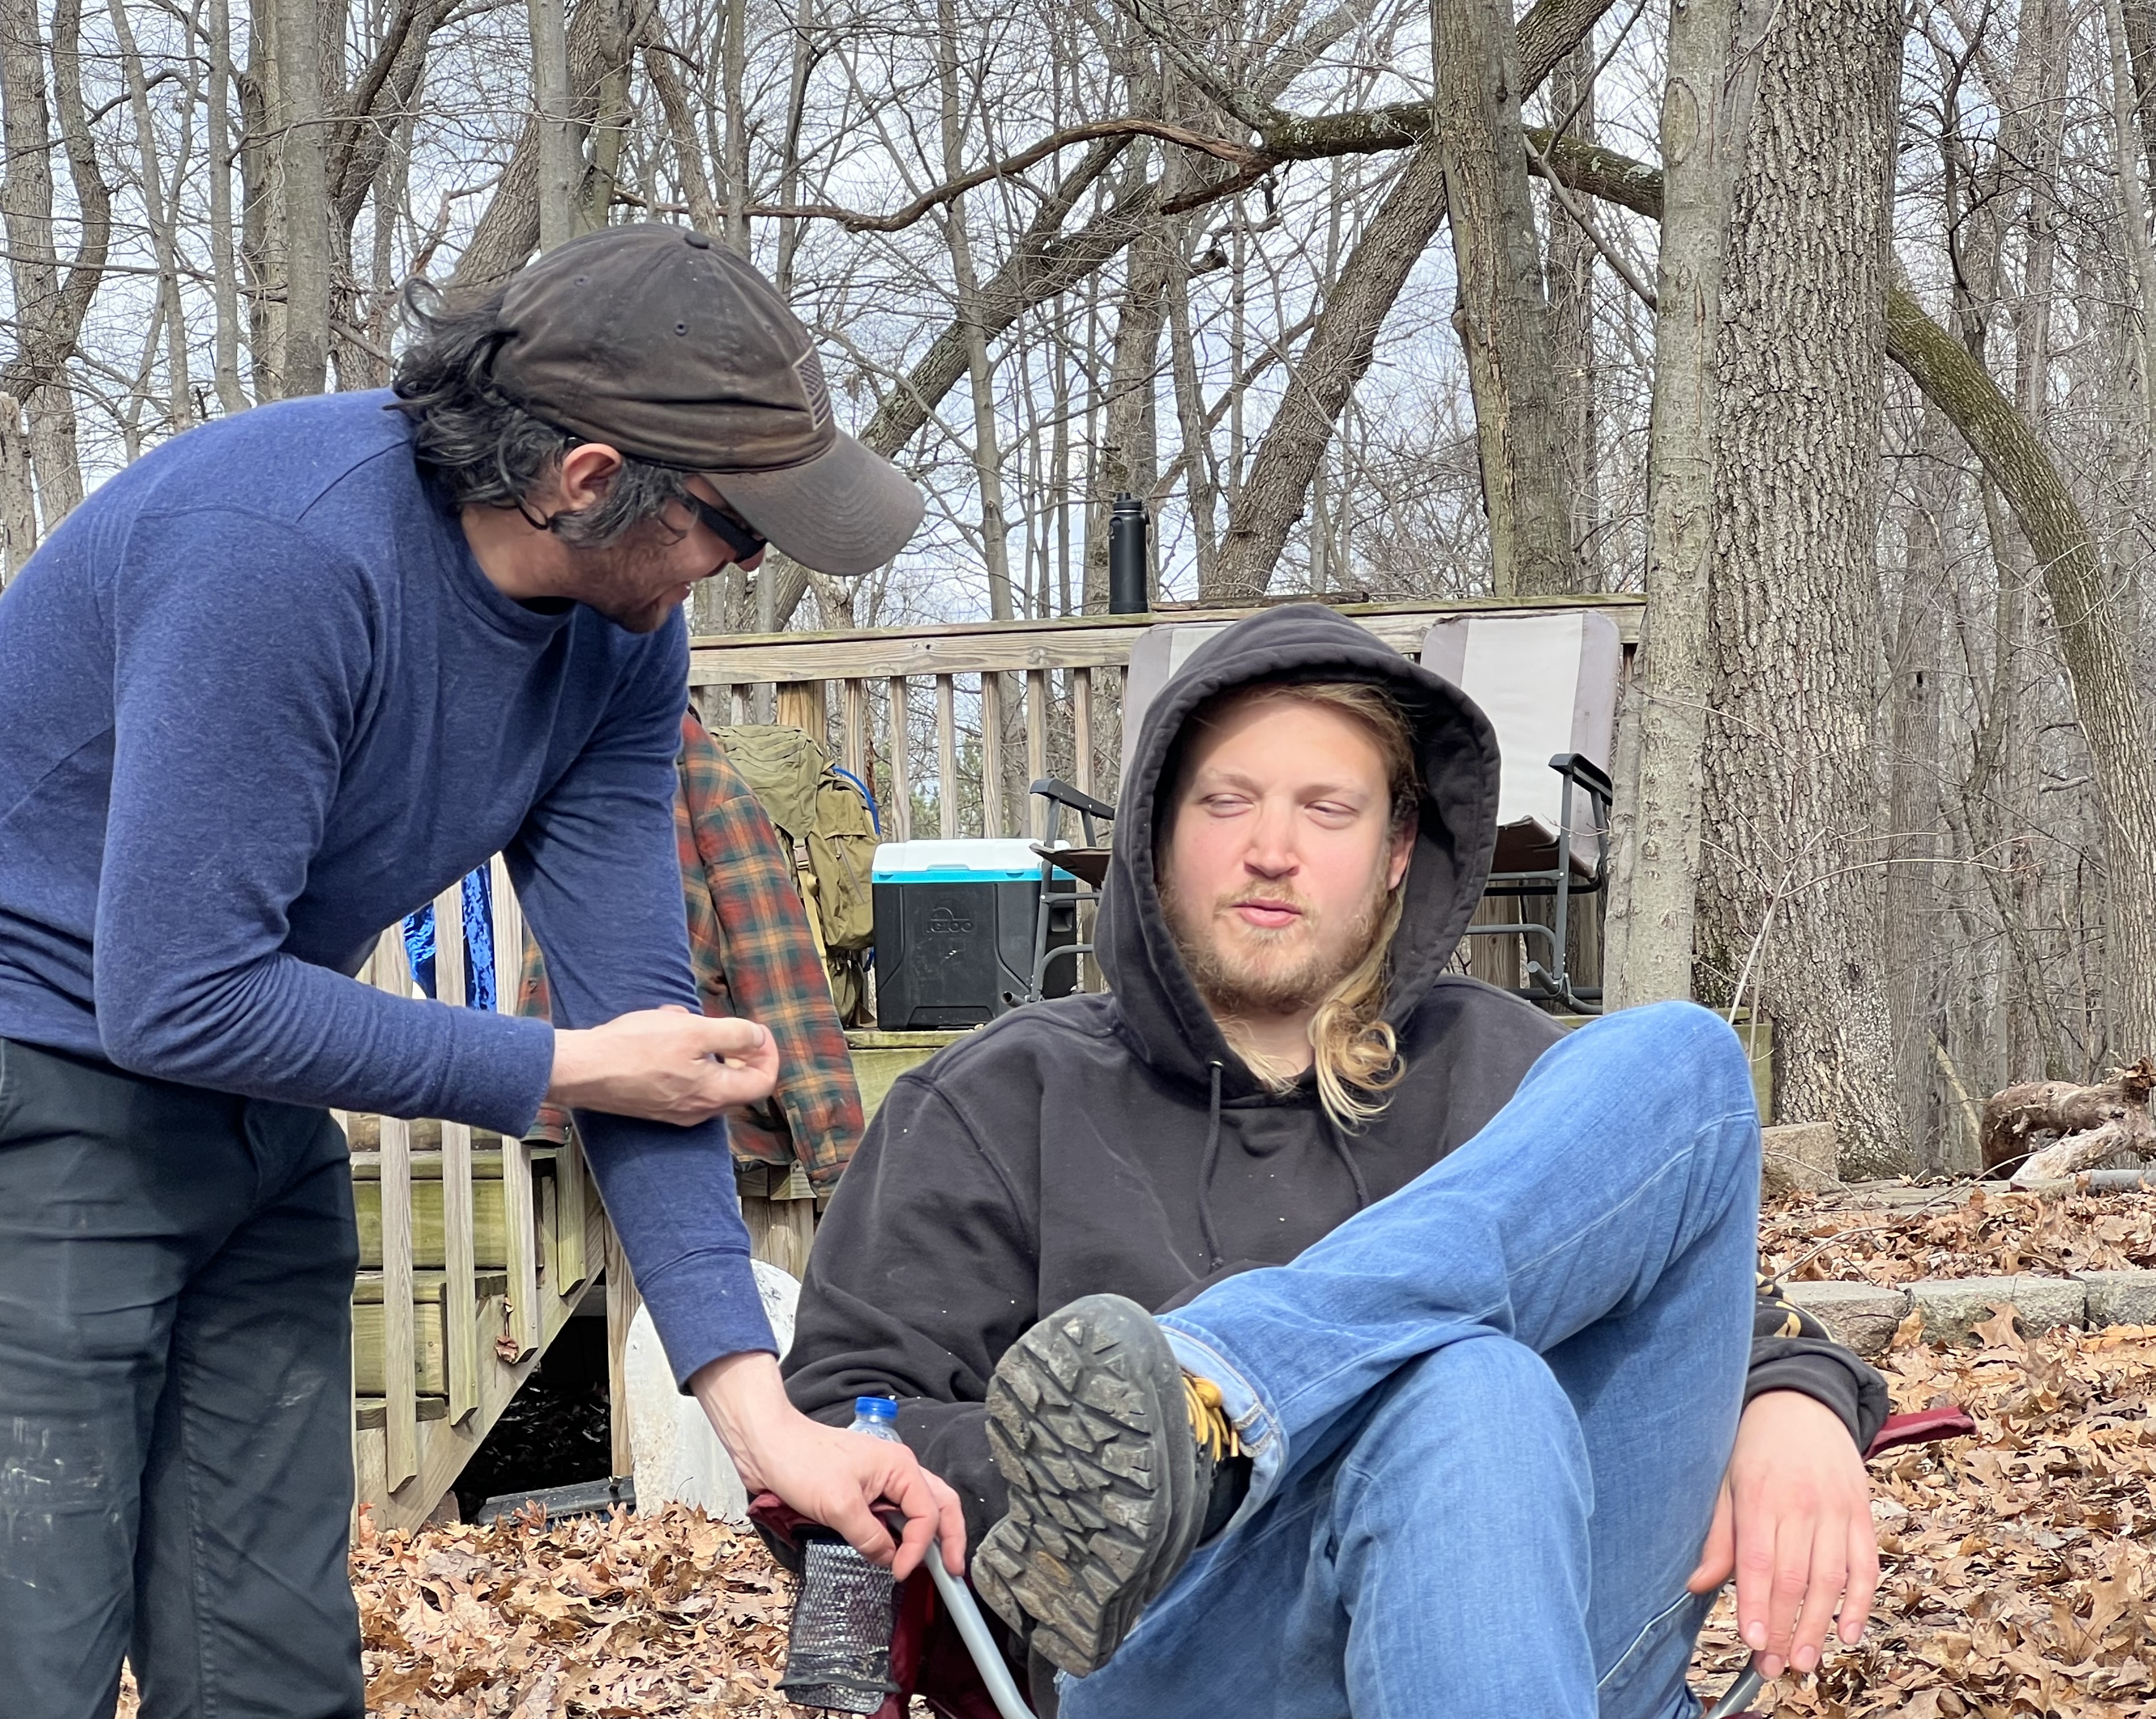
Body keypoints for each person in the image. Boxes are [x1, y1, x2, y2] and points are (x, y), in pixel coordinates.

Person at [0, 223, 961, 1719]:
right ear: (587, 479)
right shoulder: (284, 554)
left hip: (246, 1072)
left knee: (272, 1660)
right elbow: (176, 991)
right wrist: (560, 1067)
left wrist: (763, 1420)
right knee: (27, 1656)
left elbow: (647, 1037)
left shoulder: (623, 638)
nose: (745, 567)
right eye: (736, 529)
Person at [784, 605, 1888, 1719]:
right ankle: (1208, 1426)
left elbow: (1720, 1316)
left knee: (1686, 1058)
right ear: (1157, 829)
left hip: (1551, 1631)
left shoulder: (1505, 1067)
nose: (1273, 849)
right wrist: (1064, 1479)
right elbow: (840, 1416)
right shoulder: (1001, 1097)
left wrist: (1797, 1400)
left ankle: (1217, 1391)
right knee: (1471, 1386)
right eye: (1227, 801)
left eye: (1328, 809)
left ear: (1398, 850)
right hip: (1196, 1659)